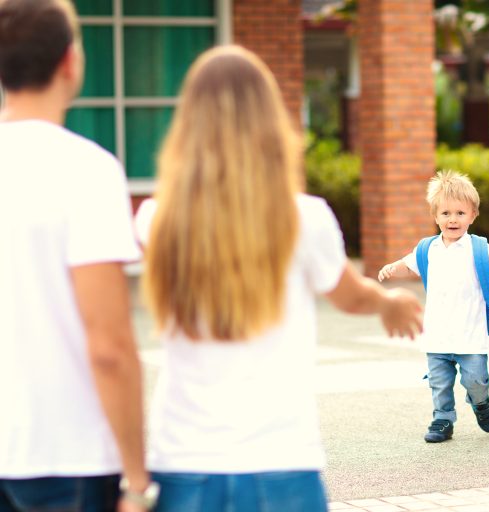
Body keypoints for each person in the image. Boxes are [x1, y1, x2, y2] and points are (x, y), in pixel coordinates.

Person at [135, 45, 423, 512]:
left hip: (183, 461)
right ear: (270, 122)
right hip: (282, 461)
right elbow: (350, 297)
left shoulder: (155, 218)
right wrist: (387, 303)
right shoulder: (304, 218)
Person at [0, 0, 153, 510]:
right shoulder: (88, 172)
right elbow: (109, 344)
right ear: (70, 62)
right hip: (70, 458)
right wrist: (136, 480)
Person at [378, 170, 489, 443]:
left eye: (460, 213)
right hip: (437, 335)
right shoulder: (428, 249)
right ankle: (442, 419)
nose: (453, 219)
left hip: (471, 335)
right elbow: (408, 264)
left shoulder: (479, 248)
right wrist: (393, 268)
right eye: (446, 213)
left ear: (473, 215)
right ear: (435, 216)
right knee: (439, 383)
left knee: (476, 380)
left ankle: (481, 403)